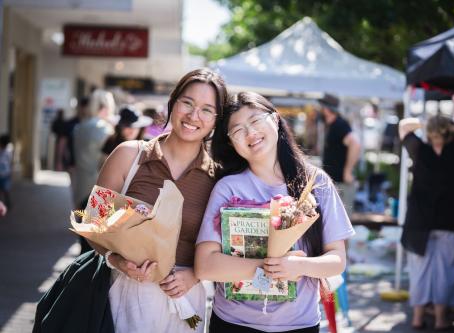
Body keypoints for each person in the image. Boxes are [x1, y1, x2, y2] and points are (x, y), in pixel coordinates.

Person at [195, 92, 355, 333]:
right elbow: (205, 266)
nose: (250, 133)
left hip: (299, 324)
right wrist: (270, 266)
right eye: (237, 130)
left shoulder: (316, 183)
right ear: (230, 142)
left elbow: (337, 260)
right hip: (233, 323)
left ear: (276, 120)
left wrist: (299, 267)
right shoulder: (227, 188)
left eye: (256, 121)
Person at [92, 68, 227, 332]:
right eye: (187, 103)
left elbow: (225, 245)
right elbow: (94, 223)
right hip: (127, 291)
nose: (193, 115)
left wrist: (195, 275)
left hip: (187, 300)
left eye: (206, 109)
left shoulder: (219, 177)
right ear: (172, 103)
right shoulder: (129, 155)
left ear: (216, 121)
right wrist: (118, 261)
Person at [399, 114, 454, 330]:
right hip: (452, 221)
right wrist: (450, 123)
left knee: (419, 271)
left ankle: (417, 318)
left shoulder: (418, 150)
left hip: (419, 222)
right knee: (448, 271)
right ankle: (441, 318)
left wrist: (426, 121)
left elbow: (403, 126)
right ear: (449, 132)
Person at [73, 89, 115, 253]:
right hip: (99, 186)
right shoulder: (105, 130)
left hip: (80, 183)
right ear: (105, 107)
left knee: (82, 236)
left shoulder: (80, 127)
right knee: (95, 242)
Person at [319, 93, 361, 216]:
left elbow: (355, 144)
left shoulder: (339, 125)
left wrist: (347, 171)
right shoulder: (333, 125)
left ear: (327, 109)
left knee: (341, 225)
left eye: (322, 108)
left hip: (342, 184)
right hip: (335, 183)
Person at [0, 134, 12, 208]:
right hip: (4, 174)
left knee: (6, 190)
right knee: (4, 190)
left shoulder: (8, 152)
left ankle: (8, 203)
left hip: (5, 175)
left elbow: (9, 162)